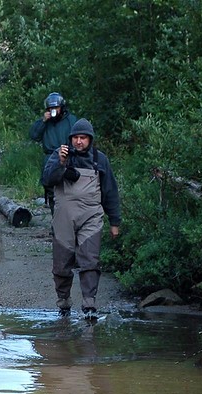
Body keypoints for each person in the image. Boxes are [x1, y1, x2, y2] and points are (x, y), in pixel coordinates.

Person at [41, 118, 121, 317]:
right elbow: (47, 180)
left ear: (90, 139)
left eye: (83, 138)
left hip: (91, 216)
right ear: (70, 139)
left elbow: (110, 191)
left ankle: (89, 305)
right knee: (61, 263)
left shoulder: (100, 159)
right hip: (64, 217)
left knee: (90, 261)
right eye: (75, 138)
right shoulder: (59, 155)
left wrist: (115, 222)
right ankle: (64, 302)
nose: (79, 142)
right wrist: (60, 163)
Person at [30, 92, 78, 213]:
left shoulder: (71, 120)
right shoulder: (45, 123)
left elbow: (78, 139)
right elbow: (34, 136)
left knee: (70, 192)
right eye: (51, 108)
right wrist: (43, 121)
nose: (53, 110)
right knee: (52, 193)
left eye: (56, 107)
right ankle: (56, 224)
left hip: (68, 157)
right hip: (50, 159)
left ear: (62, 107)